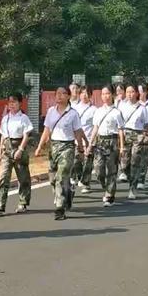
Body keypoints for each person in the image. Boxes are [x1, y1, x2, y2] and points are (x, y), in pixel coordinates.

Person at [35, 87, 84, 220]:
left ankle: (59, 208)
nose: (59, 96)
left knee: (61, 176)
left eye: (63, 93)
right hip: (54, 146)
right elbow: (46, 130)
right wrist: (40, 146)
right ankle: (67, 193)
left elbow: (77, 132)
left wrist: (80, 148)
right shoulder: (51, 111)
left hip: (67, 146)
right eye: (57, 94)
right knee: (52, 178)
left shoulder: (73, 113)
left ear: (68, 96)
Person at [0, 93, 33, 216]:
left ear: (20, 103)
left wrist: (20, 149)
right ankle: (0, 205)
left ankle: (23, 202)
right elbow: (3, 136)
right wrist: (0, 153)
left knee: (23, 177)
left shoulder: (23, 118)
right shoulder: (5, 118)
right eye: (10, 102)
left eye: (14, 102)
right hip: (7, 150)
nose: (12, 105)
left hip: (18, 146)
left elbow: (26, 135)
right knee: (3, 177)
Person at [86, 85, 125, 207]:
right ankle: (105, 186)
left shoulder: (117, 112)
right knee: (98, 169)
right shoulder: (98, 111)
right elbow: (95, 128)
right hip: (100, 142)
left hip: (112, 141)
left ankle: (109, 195)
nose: (105, 96)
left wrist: (122, 146)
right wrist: (90, 144)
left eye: (107, 93)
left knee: (112, 171)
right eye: (103, 94)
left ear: (112, 95)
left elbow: (120, 130)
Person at [118, 84, 148, 199]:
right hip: (125, 134)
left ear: (137, 93)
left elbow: (147, 125)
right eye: (128, 92)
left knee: (135, 161)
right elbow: (119, 126)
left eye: (132, 91)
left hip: (138, 135)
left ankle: (132, 188)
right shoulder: (121, 107)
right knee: (125, 162)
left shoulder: (142, 108)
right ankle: (127, 176)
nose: (130, 94)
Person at [72, 86, 96, 194]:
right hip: (76, 140)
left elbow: (96, 126)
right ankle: (79, 177)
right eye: (82, 93)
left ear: (90, 95)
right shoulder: (74, 108)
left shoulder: (94, 110)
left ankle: (86, 183)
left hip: (89, 140)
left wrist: (92, 141)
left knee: (88, 162)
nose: (84, 95)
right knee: (76, 161)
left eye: (86, 93)